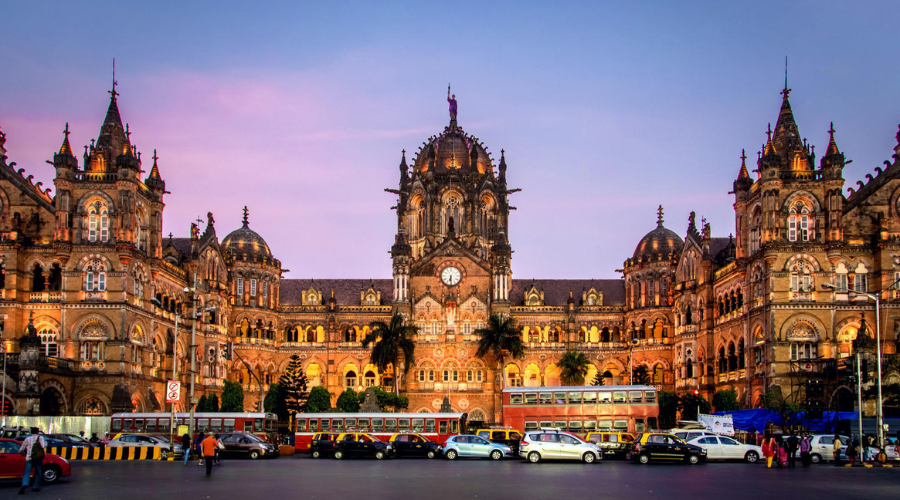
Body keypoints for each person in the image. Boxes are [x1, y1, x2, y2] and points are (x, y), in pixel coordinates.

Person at [18, 427, 46, 494]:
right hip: (38, 458)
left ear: (31, 432)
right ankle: (35, 487)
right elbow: (43, 446)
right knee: (38, 473)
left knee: (27, 473)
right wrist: (46, 443)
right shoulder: (40, 438)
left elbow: (21, 449)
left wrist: (22, 452)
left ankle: (24, 484)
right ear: (38, 432)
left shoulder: (27, 439)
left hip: (29, 458)